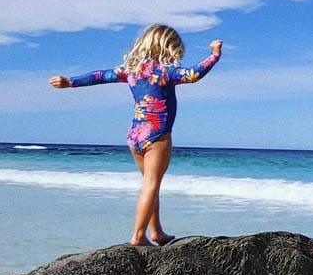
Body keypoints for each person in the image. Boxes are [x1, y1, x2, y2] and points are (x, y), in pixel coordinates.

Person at [49, 24, 221, 246]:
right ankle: (139, 236)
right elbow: (193, 74)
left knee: (151, 183)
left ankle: (157, 231)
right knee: (151, 184)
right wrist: (214, 55)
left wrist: (71, 82)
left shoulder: (131, 70)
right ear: (168, 46)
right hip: (157, 135)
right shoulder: (166, 71)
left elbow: (100, 75)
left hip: (135, 135)